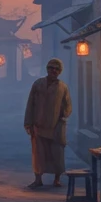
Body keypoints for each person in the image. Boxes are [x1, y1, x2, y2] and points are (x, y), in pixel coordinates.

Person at [23, 57, 72, 189]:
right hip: (38, 126)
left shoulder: (62, 87)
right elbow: (30, 104)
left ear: (59, 71)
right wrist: (28, 123)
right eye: (51, 68)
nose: (53, 71)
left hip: (56, 127)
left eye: (56, 69)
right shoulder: (38, 84)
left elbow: (68, 106)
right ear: (47, 69)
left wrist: (63, 117)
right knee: (38, 154)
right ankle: (38, 179)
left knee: (57, 154)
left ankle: (57, 179)